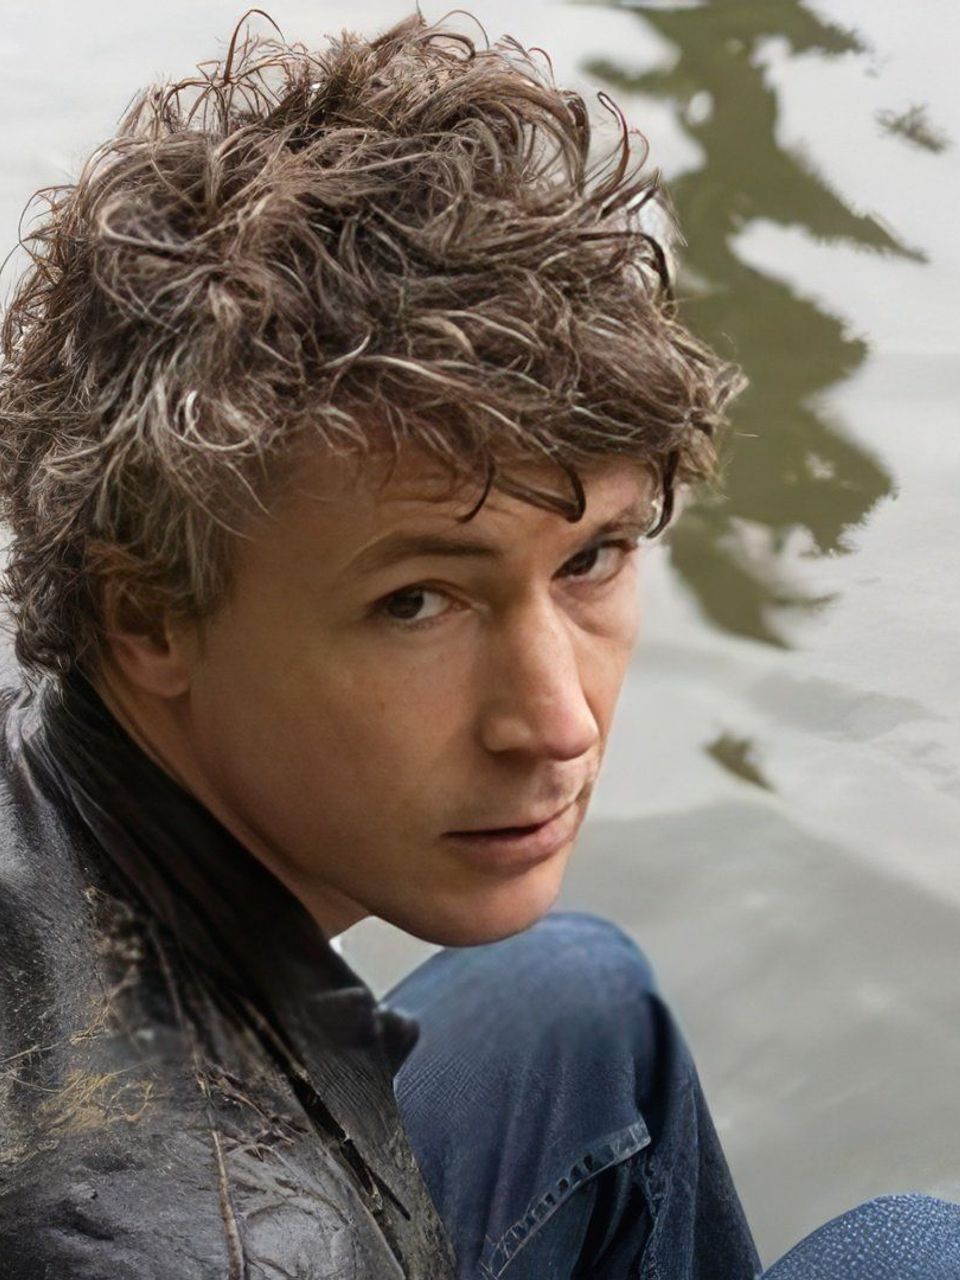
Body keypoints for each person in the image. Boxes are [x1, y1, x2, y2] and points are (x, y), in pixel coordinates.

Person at [0, 11, 955, 1278]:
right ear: (145, 613)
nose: (559, 721)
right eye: (416, 602)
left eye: (592, 558)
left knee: (574, 1003)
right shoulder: (243, 1241)